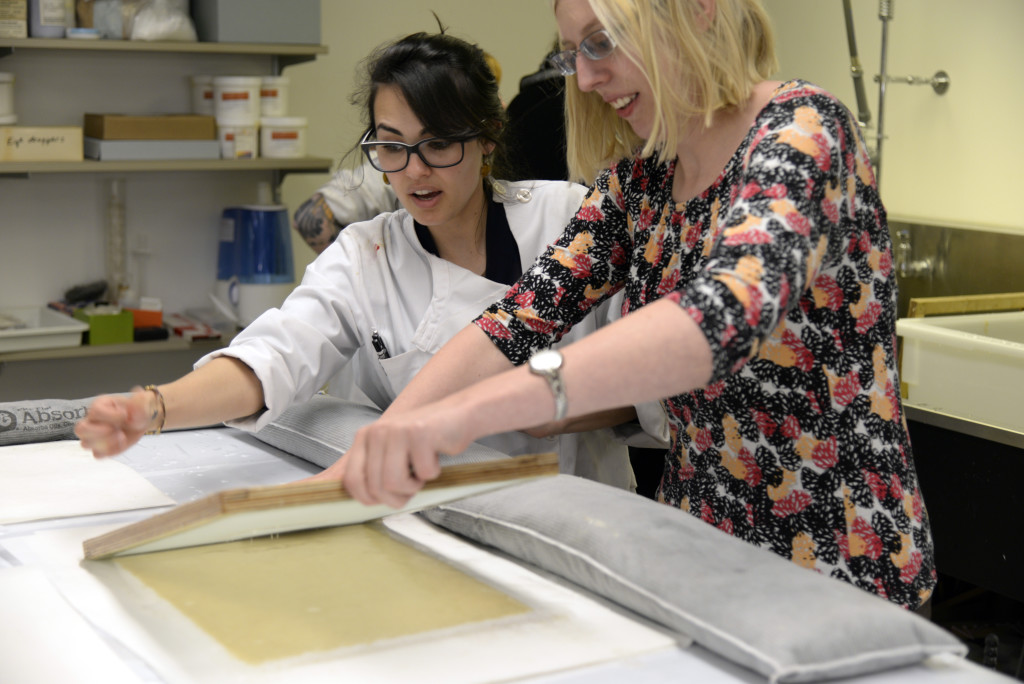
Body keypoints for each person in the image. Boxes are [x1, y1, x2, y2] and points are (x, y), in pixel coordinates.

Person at [326, 0, 937, 612]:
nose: (588, 78)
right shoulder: (641, 184)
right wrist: (387, 437)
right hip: (699, 555)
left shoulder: (801, 132)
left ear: (697, 10)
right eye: (575, 54)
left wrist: (466, 414)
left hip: (840, 564)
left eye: (602, 42)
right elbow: (514, 321)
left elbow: (717, 318)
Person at [75, 30, 669, 491]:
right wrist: (155, 407)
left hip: (573, 509)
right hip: (434, 511)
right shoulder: (367, 254)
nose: (414, 171)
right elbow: (277, 355)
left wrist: (551, 409)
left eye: (439, 144)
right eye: (391, 146)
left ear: (487, 137)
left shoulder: (568, 219)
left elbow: (654, 377)